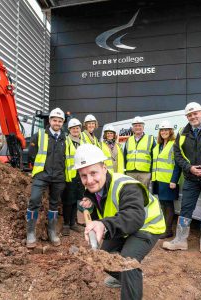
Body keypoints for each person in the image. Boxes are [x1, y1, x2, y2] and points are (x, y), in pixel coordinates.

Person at [75, 144, 165, 300]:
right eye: (83, 176)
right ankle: (128, 280)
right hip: (122, 225)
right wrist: (90, 204)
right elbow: (105, 208)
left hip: (146, 225)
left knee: (127, 262)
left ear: (104, 168)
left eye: (93, 173)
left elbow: (134, 216)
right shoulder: (94, 189)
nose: (89, 180)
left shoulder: (126, 186)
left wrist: (104, 224)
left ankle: (130, 279)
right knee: (104, 258)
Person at [163, 102, 201, 254]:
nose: (193, 117)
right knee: (186, 208)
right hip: (191, 177)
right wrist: (190, 169)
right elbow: (177, 155)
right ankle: (180, 240)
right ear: (187, 117)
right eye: (190, 115)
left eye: (195, 113)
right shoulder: (182, 132)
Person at [26, 107, 66, 248]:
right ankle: (30, 232)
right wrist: (39, 169)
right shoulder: (40, 135)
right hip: (42, 175)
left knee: (54, 204)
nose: (57, 123)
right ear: (50, 121)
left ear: (62, 122)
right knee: (34, 200)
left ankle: (52, 231)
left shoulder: (65, 138)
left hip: (58, 177)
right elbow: (31, 153)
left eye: (60, 121)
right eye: (55, 120)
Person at [152, 120, 181, 239]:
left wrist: (174, 180)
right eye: (162, 130)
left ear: (171, 131)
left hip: (169, 181)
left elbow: (177, 165)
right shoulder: (158, 145)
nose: (164, 132)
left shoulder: (174, 144)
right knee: (162, 204)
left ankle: (168, 230)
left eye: (166, 130)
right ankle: (164, 227)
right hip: (158, 179)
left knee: (168, 205)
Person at [62, 118, 85, 236]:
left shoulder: (82, 143)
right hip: (69, 176)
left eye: (77, 128)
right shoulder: (66, 141)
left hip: (80, 176)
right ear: (69, 130)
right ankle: (66, 224)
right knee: (68, 201)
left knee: (77, 199)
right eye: (73, 128)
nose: (76, 130)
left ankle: (73, 223)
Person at [124, 116, 156, 188]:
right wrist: (125, 171)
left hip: (144, 173)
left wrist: (151, 173)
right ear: (132, 128)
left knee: (143, 194)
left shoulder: (150, 139)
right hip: (130, 173)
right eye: (135, 126)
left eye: (139, 125)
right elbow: (124, 157)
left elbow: (154, 157)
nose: (137, 127)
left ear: (143, 127)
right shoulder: (128, 140)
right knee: (131, 193)